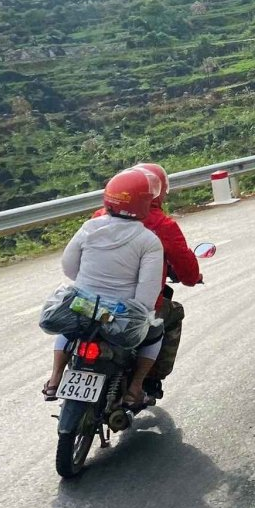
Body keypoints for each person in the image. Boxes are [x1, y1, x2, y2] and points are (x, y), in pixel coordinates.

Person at [44, 169, 164, 407]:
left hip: (83, 305)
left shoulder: (90, 227)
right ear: (145, 203)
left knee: (69, 329)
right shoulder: (149, 241)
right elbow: (146, 296)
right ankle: (135, 387)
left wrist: (90, 289)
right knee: (155, 334)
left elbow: (69, 268)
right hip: (118, 316)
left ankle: (55, 378)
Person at [88, 162, 201, 402]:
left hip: (93, 298)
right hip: (136, 305)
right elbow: (185, 267)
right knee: (170, 315)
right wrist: (192, 278)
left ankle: (56, 377)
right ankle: (146, 381)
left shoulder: (98, 217)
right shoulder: (162, 225)